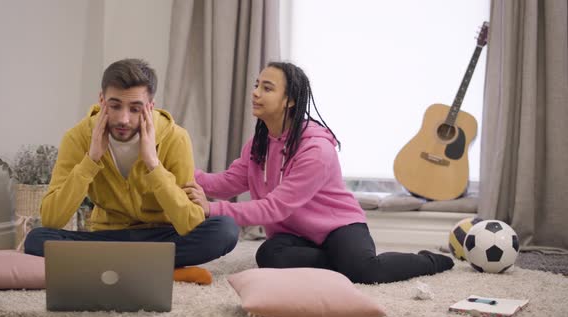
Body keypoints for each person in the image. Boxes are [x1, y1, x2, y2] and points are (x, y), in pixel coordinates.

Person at [184, 62, 453, 284]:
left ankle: (429, 261)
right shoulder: (259, 143)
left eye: (267, 88)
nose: (255, 93)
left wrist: (212, 209)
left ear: (289, 100)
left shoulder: (316, 149)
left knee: (366, 272)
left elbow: (275, 207)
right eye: (256, 85)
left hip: (338, 226)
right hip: (295, 233)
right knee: (269, 256)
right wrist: (179, 172)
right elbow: (228, 182)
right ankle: (341, 263)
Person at [24, 59, 239, 283]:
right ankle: (163, 269)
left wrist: (153, 165)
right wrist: (91, 160)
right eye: (115, 106)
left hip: (161, 236)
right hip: (108, 237)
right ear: (101, 100)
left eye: (135, 109)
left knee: (225, 230)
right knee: (37, 239)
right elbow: (51, 219)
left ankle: (111, 266)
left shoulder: (176, 137)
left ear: (150, 106)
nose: (123, 119)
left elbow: (190, 223)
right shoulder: (77, 138)